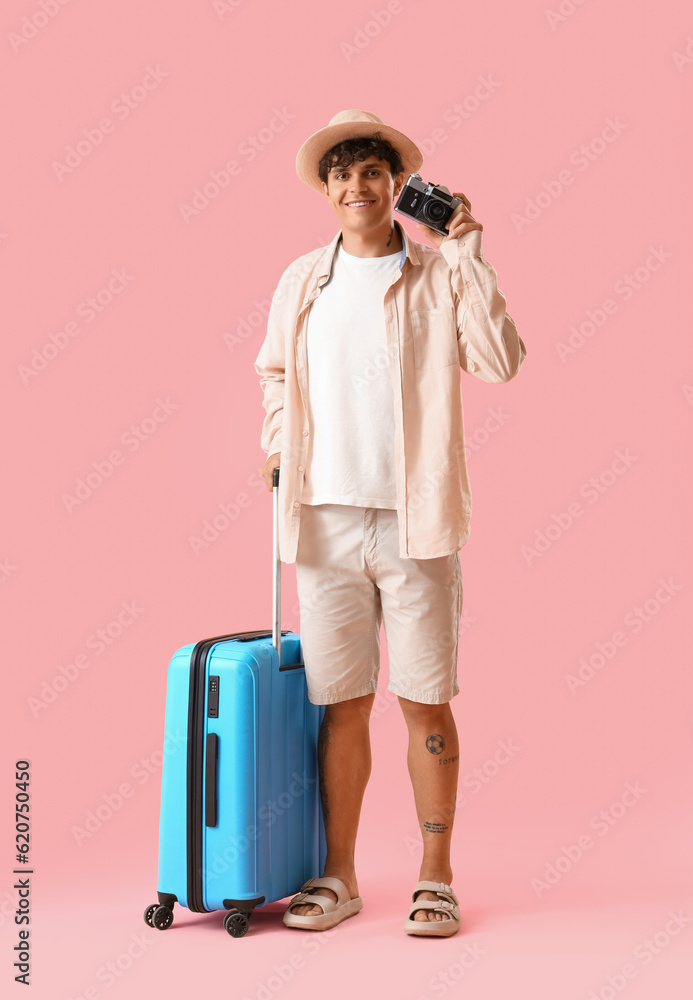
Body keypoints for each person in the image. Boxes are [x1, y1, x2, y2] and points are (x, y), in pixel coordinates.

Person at [254, 109, 526, 936]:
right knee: (341, 704)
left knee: (423, 702)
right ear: (328, 190)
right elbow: (273, 374)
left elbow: (500, 360)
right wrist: (275, 448)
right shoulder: (303, 280)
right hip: (323, 523)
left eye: (371, 172)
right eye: (340, 174)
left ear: (396, 185)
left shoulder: (438, 273)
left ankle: (434, 877)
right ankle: (338, 876)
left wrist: (470, 248)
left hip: (417, 523)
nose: (355, 186)